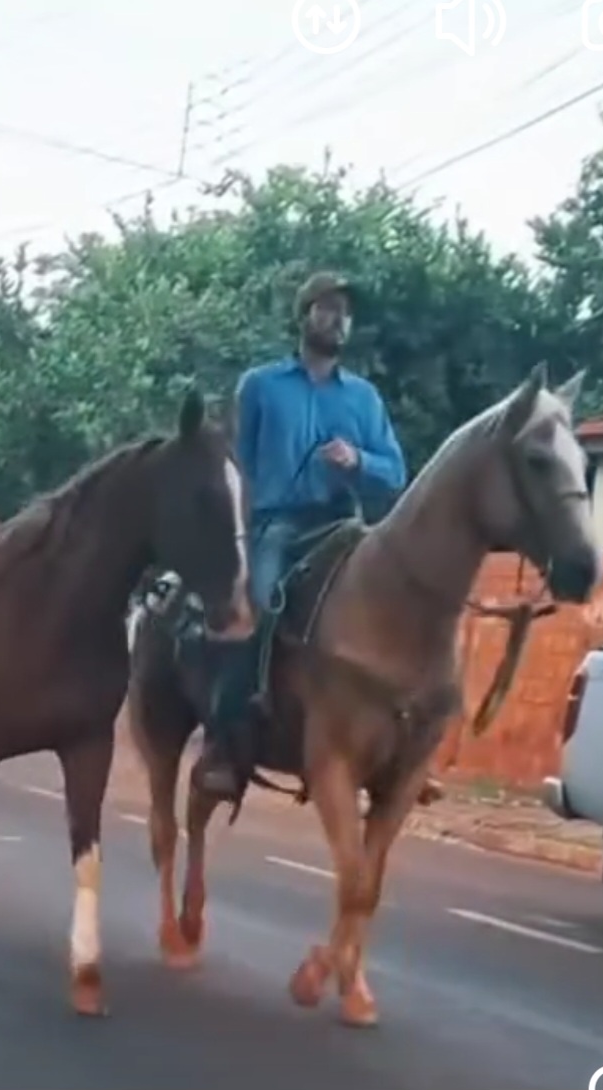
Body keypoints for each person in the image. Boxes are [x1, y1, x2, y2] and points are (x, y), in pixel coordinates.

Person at [199, 270, 408, 801]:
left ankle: (402, 744)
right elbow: (237, 465)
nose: (338, 320)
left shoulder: (364, 398)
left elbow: (396, 472)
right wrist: (237, 531)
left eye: (346, 312)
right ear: (305, 315)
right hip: (278, 525)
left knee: (394, 607)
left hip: (343, 524)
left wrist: (357, 459)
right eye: (328, 308)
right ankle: (224, 742)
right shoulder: (261, 386)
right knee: (258, 605)